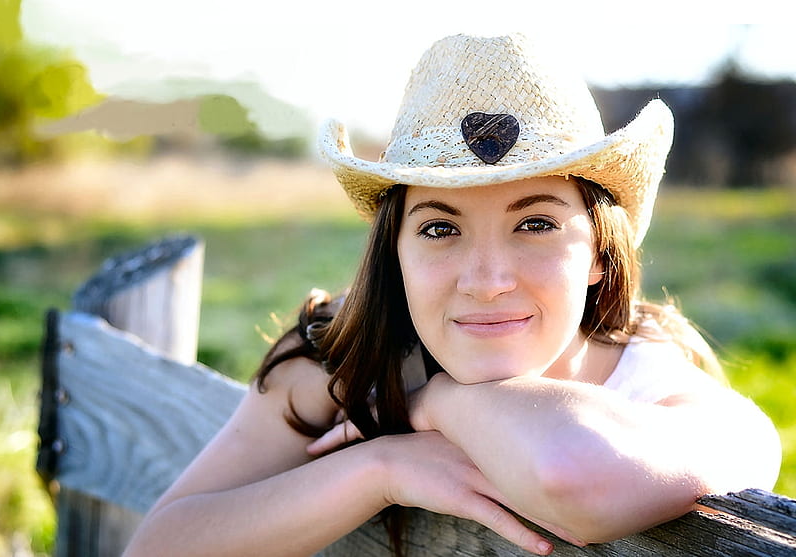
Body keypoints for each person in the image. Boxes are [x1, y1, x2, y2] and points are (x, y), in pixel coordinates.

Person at [123, 33, 781, 557]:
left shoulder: (657, 381)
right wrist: (376, 466)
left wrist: (433, 401)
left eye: (536, 224)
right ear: (396, 254)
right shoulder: (336, 359)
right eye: (441, 227)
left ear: (600, 255)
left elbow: (573, 471)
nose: (487, 279)